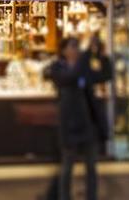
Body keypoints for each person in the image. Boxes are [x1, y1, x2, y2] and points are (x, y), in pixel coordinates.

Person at [45, 36, 109, 200]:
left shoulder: (84, 68)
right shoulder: (57, 68)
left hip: (87, 124)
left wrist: (102, 55)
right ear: (64, 50)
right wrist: (88, 53)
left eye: (78, 46)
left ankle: (91, 196)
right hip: (69, 125)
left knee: (91, 167)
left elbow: (105, 75)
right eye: (73, 46)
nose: (76, 50)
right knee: (67, 167)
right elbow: (71, 77)